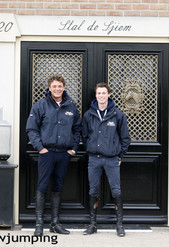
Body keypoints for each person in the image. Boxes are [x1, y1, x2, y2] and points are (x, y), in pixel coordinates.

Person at [26, 75, 81, 236]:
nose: (57, 89)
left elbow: (77, 129)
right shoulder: (41, 105)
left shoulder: (71, 106)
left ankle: (55, 223)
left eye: (60, 86)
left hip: (64, 154)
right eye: (54, 86)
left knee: (58, 187)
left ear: (64, 88)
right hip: (46, 153)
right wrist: (40, 148)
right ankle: (39, 224)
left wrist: (74, 149)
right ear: (49, 88)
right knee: (42, 187)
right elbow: (31, 129)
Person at [82, 82, 131, 237]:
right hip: (94, 159)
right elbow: (84, 135)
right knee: (93, 190)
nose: (101, 96)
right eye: (99, 93)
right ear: (95, 95)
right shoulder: (88, 115)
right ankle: (92, 224)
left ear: (109, 95)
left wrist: (120, 155)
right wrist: (90, 148)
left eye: (104, 93)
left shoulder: (118, 114)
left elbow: (125, 138)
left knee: (116, 190)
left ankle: (119, 225)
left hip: (111, 160)